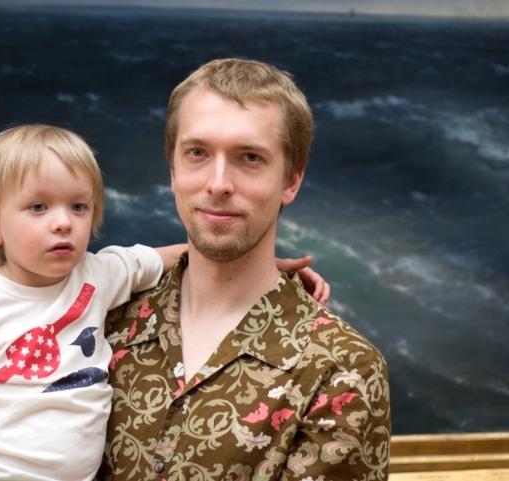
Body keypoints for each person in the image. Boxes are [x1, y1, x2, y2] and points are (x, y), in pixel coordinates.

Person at [0, 124, 327, 481]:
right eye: (38, 207)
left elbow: (175, 255)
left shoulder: (99, 273)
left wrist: (268, 266)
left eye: (78, 207)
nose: (62, 223)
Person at [101, 59, 391, 480]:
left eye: (249, 157)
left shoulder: (342, 369)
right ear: (173, 171)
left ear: (290, 181)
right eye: (197, 153)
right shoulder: (104, 320)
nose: (218, 183)